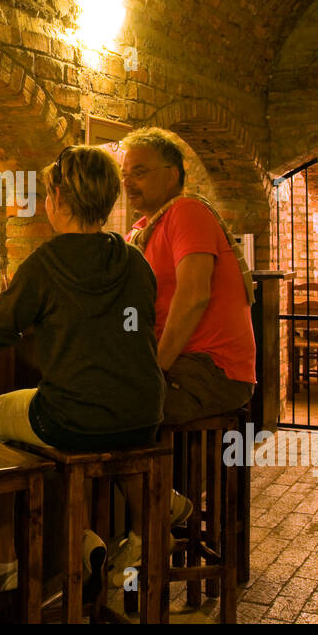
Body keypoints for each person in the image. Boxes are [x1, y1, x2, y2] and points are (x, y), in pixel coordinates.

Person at [0, 145, 164, 596]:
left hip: (72, 420)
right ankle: (79, 540)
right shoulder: (135, 260)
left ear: (58, 200)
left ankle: (6, 558)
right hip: (144, 417)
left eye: (47, 192)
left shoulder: (45, 264)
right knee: (84, 424)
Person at [107, 126, 257, 584]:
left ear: (173, 175)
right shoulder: (141, 230)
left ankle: (148, 526)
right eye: (125, 173)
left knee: (115, 411)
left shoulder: (186, 213)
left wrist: (153, 369)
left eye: (141, 172)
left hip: (213, 367)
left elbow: (193, 297)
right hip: (185, 365)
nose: (129, 182)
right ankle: (155, 515)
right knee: (100, 402)